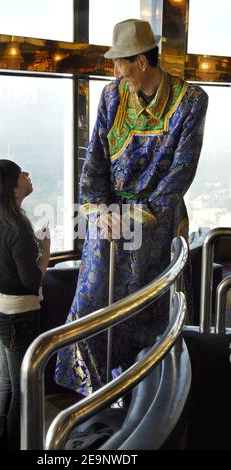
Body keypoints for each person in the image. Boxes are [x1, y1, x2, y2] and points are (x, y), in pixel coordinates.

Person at [55, 19, 208, 396]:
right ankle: (91, 395)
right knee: (91, 304)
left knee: (147, 308)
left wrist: (135, 218)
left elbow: (180, 172)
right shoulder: (111, 96)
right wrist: (98, 212)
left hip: (153, 224)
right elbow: (95, 163)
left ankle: (144, 391)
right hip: (106, 223)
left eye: (120, 62)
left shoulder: (191, 101)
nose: (115, 70)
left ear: (141, 61)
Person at [0, 159, 50, 450]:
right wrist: (45, 250)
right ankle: (19, 445)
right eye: (21, 173)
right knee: (22, 389)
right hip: (18, 317)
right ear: (11, 187)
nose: (28, 175)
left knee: (3, 381)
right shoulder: (17, 225)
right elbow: (32, 281)